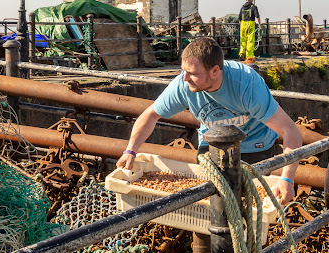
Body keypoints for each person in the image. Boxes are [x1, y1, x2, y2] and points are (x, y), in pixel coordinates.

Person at [116, 37, 302, 205]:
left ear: (215, 71)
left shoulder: (246, 86)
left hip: (254, 146)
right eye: (183, 71)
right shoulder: (184, 84)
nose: (185, 78)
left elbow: (290, 131)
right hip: (211, 147)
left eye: (192, 73)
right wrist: (130, 150)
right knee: (210, 205)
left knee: (248, 208)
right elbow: (151, 114)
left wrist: (287, 179)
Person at [238, 0, 261, 64]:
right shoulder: (253, 7)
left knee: (242, 40)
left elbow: (239, 18)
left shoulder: (242, 7)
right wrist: (259, 25)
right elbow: (257, 16)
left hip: (243, 24)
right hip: (250, 24)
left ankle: (241, 53)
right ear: (251, 0)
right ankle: (249, 57)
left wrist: (241, 25)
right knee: (250, 41)